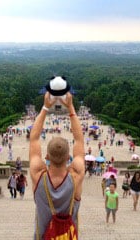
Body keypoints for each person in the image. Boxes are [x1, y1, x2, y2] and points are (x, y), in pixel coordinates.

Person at [29, 92, 85, 239]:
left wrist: (45, 107)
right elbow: (79, 141)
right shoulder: (76, 176)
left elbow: (34, 139)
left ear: (46, 157)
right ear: (68, 157)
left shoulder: (38, 176)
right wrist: (71, 107)